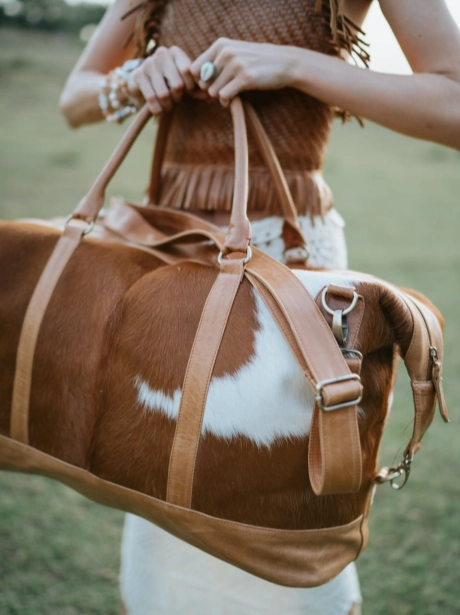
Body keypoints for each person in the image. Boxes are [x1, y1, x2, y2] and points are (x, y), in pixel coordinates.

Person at [59, 1, 460, 614]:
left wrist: (293, 65)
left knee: (284, 501)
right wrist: (131, 78)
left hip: (289, 271)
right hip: (167, 260)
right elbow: (75, 98)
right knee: (165, 489)